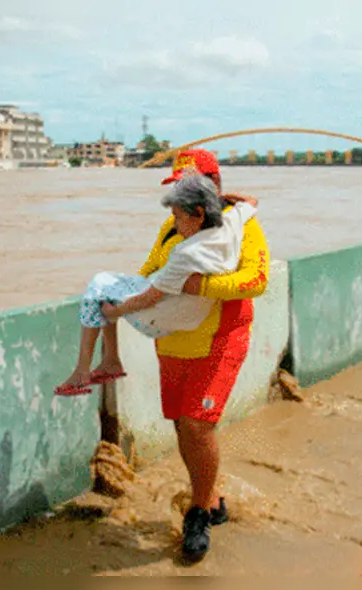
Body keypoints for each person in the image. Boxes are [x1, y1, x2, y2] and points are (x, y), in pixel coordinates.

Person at [129, 148, 269, 563]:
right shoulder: (171, 227)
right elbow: (149, 269)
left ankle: (198, 513)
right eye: (175, 190)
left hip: (221, 337)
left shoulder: (241, 224)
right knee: (181, 424)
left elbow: (256, 279)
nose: (178, 200)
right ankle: (212, 496)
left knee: (196, 423)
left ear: (211, 187)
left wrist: (198, 287)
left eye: (186, 190)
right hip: (172, 339)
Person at [54, 174, 258, 395]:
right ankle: (110, 361)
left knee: (98, 286)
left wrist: (115, 311)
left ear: (199, 214)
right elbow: (251, 201)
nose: (176, 226)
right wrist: (213, 197)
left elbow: (149, 298)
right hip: (193, 313)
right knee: (112, 285)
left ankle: (82, 371)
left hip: (162, 318)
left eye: (178, 217)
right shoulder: (231, 224)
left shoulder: (187, 253)